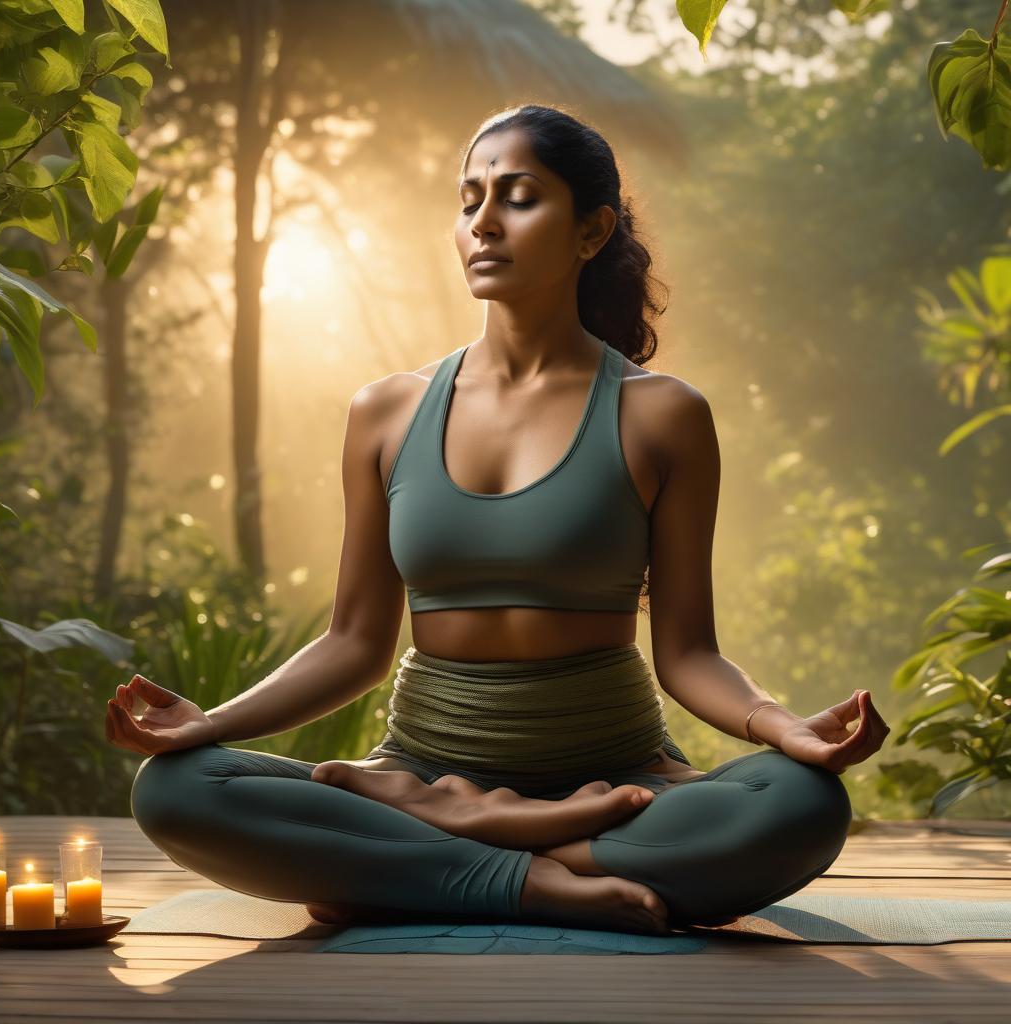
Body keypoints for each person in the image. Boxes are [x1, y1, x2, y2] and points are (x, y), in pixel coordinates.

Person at [108, 104, 890, 936]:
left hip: (616, 787)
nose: (483, 221)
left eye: (517, 197)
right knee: (178, 789)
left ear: (592, 231)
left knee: (800, 804)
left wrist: (783, 728)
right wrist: (210, 724)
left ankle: (435, 860)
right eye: (469, 197)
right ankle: (531, 876)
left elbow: (689, 654)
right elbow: (354, 642)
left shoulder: (662, 415)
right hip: (419, 776)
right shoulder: (386, 412)